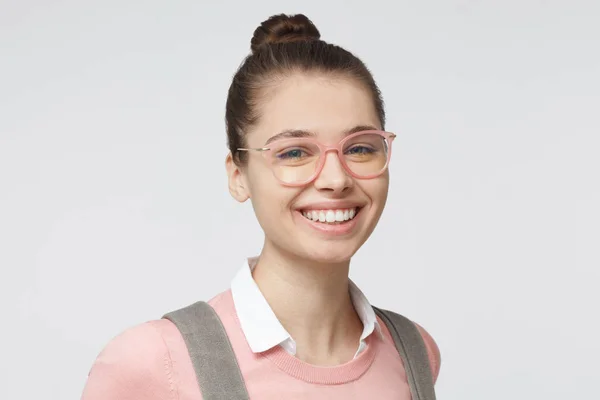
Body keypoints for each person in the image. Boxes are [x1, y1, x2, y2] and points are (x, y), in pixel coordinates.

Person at [81, 13, 441, 399]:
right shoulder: (155, 362)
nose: (336, 179)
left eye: (359, 148)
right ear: (238, 175)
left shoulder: (414, 352)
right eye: (295, 152)